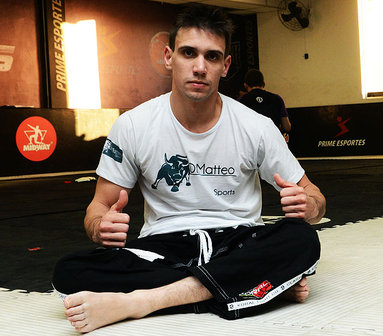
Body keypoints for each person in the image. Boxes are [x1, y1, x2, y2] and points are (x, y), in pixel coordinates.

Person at [52, 5, 325, 333]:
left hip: (238, 240)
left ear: (225, 66)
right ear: (169, 57)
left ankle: (145, 301)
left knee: (302, 238)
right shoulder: (133, 125)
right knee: (68, 272)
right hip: (165, 247)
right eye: (188, 53)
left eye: (211, 57)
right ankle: (259, 287)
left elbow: (315, 197)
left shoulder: (257, 127)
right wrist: (100, 226)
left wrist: (309, 206)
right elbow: (98, 206)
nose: (199, 67)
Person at [239, 69, 291, 141]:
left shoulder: (240, 102)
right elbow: (287, 127)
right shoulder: (277, 99)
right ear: (263, 84)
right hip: (272, 143)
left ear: (245, 85)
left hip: (251, 144)